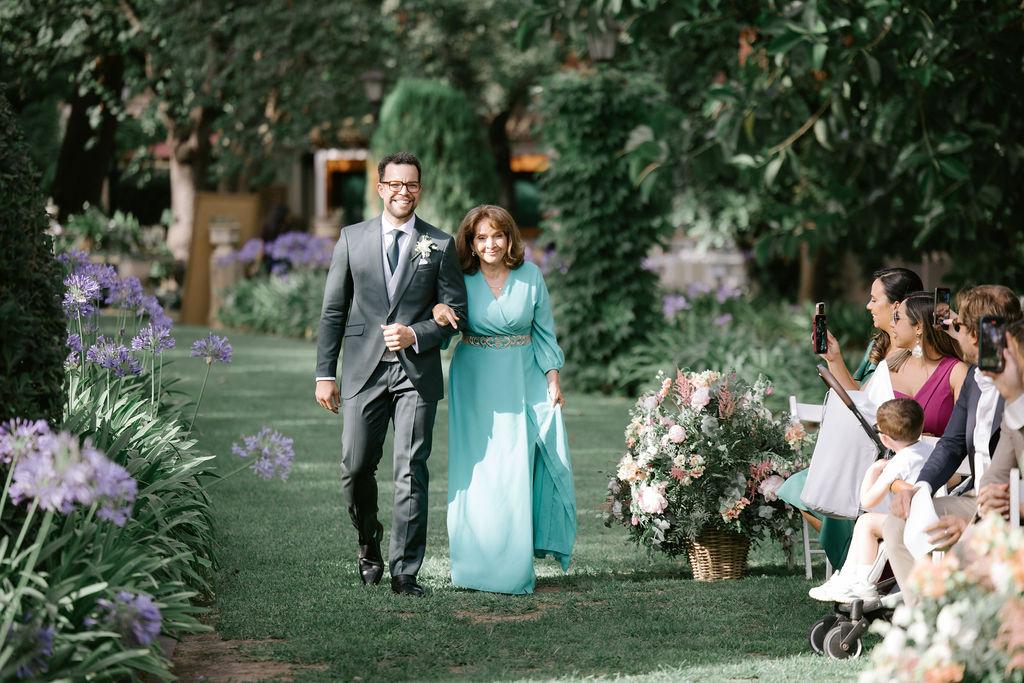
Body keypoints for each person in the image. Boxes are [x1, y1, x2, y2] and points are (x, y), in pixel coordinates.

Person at [314, 152, 468, 597]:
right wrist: (325, 373)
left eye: (412, 185)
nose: (404, 192)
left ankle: (405, 571)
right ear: (380, 188)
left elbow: (456, 313)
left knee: (411, 470)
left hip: (416, 376)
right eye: (396, 184)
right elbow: (333, 310)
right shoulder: (351, 238)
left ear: (420, 190)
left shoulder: (439, 245)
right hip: (362, 370)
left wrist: (417, 332)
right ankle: (368, 541)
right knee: (355, 467)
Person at [431, 204, 576, 595]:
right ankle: (473, 567)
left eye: (497, 235)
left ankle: (513, 571)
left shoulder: (530, 277)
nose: (490, 244)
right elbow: (443, 335)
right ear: (471, 244)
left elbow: (545, 333)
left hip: (522, 377)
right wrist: (440, 311)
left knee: (514, 471)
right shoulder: (460, 279)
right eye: (481, 237)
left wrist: (553, 377)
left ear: (509, 238)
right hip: (474, 381)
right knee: (476, 471)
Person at [882, 285, 1023, 604]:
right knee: (897, 522)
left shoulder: (1017, 383)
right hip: (978, 499)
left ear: (975, 334)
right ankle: (922, 617)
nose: (952, 330)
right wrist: (919, 489)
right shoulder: (975, 376)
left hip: (1009, 505)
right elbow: (952, 443)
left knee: (963, 541)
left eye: (959, 326)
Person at [777, 267, 923, 566]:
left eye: (874, 299)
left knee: (831, 491)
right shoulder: (878, 345)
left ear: (897, 306)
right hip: (863, 438)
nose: (868, 306)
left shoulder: (914, 354)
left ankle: (854, 559)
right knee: (798, 487)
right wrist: (834, 358)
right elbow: (858, 395)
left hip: (882, 447)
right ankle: (855, 549)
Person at [809, 398, 930, 602]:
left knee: (866, 522)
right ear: (922, 425)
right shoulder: (929, 451)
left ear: (885, 439)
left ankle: (863, 583)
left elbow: (867, 501)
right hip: (927, 516)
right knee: (869, 523)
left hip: (911, 524)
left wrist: (873, 470)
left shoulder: (898, 463)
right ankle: (847, 578)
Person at [887, 291, 968, 434]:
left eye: (897, 317)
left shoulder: (957, 372)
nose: (891, 324)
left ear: (918, 327)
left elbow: (964, 433)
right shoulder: (892, 364)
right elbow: (860, 406)